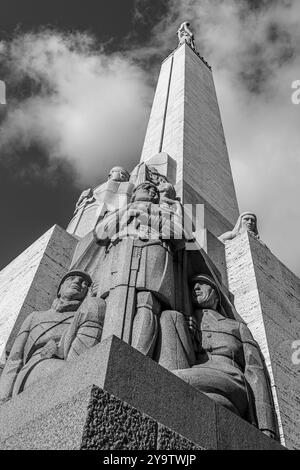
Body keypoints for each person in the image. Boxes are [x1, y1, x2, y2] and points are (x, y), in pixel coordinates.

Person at [156, 274, 279, 440]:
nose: (195, 289)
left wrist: (266, 427)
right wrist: (190, 334)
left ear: (215, 293)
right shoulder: (188, 320)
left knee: (168, 382)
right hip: (197, 371)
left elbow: (255, 373)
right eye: (193, 286)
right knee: (170, 317)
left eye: (202, 284)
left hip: (231, 378)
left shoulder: (237, 327)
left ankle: (163, 384)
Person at [93, 181, 191, 357]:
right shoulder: (121, 211)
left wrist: (145, 216)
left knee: (147, 301)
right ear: (134, 193)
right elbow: (100, 234)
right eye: (146, 189)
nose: (152, 192)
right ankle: (100, 356)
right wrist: (127, 212)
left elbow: (180, 235)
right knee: (109, 301)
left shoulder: (166, 211)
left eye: (155, 191)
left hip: (154, 250)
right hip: (119, 251)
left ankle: (137, 357)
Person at [0, 271, 105, 401]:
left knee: (96, 304)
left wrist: (89, 301)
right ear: (59, 290)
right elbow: (15, 358)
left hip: (71, 357)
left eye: (84, 283)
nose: (78, 282)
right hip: (36, 365)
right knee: (79, 376)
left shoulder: (85, 310)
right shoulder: (35, 316)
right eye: (71, 278)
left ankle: (77, 371)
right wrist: (3, 397)